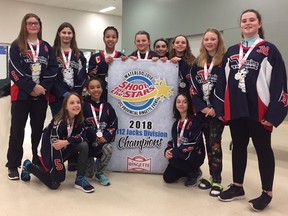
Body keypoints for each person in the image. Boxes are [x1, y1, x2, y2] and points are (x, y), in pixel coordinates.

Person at [214, 9, 288, 211]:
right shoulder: (230, 51)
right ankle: (237, 186)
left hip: (260, 112)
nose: (247, 23)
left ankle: (267, 192)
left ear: (259, 24)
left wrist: (273, 115)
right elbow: (222, 83)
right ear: (240, 26)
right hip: (236, 110)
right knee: (238, 146)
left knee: (263, 149)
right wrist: (221, 108)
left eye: (251, 20)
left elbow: (279, 83)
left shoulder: (269, 50)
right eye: (244, 21)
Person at [6, 13, 58, 180]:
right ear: (24, 25)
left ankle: (36, 160)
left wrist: (41, 87)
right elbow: (14, 70)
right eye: (30, 23)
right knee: (17, 131)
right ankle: (13, 165)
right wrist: (31, 87)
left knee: (37, 131)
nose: (33, 26)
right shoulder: (16, 45)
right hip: (21, 96)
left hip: (40, 97)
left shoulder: (46, 47)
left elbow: (53, 69)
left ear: (40, 26)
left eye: (36, 23)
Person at [20, 93, 95, 193]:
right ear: (65, 106)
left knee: (83, 145)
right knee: (54, 184)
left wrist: (67, 141)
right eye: (72, 103)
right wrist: (57, 168)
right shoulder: (59, 122)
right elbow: (53, 146)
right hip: (47, 152)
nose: (76, 105)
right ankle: (28, 165)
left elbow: (82, 135)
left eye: (78, 102)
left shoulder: (79, 119)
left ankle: (80, 179)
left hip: (62, 147)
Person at [190, 28, 226, 197]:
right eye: (207, 39)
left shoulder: (223, 61)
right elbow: (193, 89)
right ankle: (210, 176)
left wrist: (215, 109)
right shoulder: (197, 62)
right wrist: (202, 107)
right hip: (202, 112)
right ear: (203, 42)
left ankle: (217, 179)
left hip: (217, 113)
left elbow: (227, 88)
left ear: (218, 41)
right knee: (206, 144)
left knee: (215, 144)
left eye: (213, 39)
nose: (210, 42)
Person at [163, 92, 205, 186]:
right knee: (168, 178)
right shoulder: (176, 123)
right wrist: (167, 151)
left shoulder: (195, 121)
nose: (181, 104)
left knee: (173, 159)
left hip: (193, 156)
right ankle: (186, 172)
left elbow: (194, 143)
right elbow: (173, 141)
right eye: (178, 102)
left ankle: (194, 171)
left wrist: (175, 152)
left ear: (189, 104)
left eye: (184, 102)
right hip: (179, 154)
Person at [83, 77, 118, 186]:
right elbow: (80, 125)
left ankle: (100, 171)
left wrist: (106, 137)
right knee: (89, 175)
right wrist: (93, 136)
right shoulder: (83, 106)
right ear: (88, 90)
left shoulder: (107, 107)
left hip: (102, 141)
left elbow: (113, 123)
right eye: (92, 88)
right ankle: (89, 162)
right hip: (88, 143)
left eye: (98, 87)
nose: (95, 90)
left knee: (109, 148)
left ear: (102, 89)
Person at [48, 22, 87, 117]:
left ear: (73, 35)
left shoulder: (78, 54)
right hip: (57, 97)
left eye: (69, 33)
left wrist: (74, 94)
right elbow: (50, 75)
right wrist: (64, 93)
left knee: (75, 124)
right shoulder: (51, 53)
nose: (66, 35)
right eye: (64, 32)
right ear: (59, 33)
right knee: (59, 124)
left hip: (75, 97)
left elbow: (82, 75)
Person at [88, 26, 124, 101]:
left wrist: (128, 62)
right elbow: (91, 74)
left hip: (117, 95)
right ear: (103, 39)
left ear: (117, 39)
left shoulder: (121, 57)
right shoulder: (95, 57)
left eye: (113, 37)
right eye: (107, 37)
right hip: (99, 95)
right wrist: (103, 63)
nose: (110, 39)